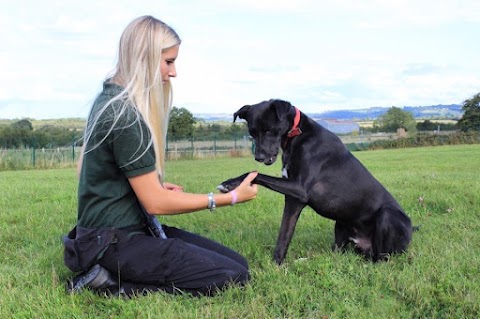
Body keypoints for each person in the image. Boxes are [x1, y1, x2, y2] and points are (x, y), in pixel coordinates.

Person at [63, 15, 258, 297]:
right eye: (168, 62)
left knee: (238, 264)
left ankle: (109, 275)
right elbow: (155, 202)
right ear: (144, 57)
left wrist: (152, 184)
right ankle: (107, 283)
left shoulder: (111, 99)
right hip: (112, 243)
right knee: (231, 276)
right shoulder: (125, 115)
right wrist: (230, 197)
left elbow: (116, 176)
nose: (174, 72)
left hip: (121, 232)